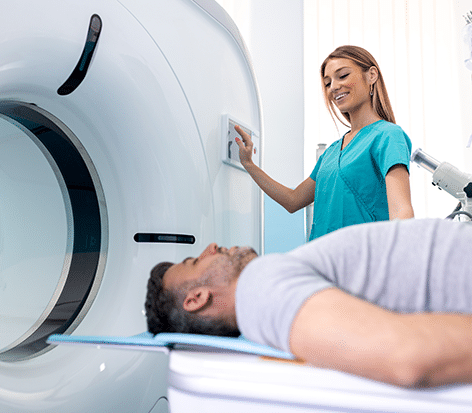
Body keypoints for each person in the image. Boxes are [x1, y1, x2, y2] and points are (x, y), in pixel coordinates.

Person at [145, 218, 472, 387]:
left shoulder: (263, 298)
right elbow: (407, 356)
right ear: (197, 298)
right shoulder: (260, 289)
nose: (212, 246)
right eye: (194, 262)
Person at [234, 45, 414, 240]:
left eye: (343, 75)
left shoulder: (388, 136)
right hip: (321, 259)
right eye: (328, 83)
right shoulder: (331, 152)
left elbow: (401, 211)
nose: (334, 87)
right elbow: (292, 200)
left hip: (363, 260)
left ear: (371, 75)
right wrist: (249, 164)